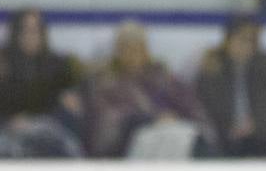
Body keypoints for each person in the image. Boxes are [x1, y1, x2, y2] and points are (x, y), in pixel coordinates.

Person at [84, 20, 212, 159]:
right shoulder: (108, 84)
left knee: (191, 137)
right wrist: (153, 119)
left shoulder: (162, 77)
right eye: (126, 48)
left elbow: (190, 107)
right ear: (118, 51)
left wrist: (174, 119)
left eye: (138, 48)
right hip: (131, 145)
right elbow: (110, 125)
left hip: (174, 135)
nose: (133, 54)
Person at [0, 7, 84, 158]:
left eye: (36, 30)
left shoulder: (58, 64)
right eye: (25, 30)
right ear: (15, 33)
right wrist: (8, 120)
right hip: (7, 128)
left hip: (48, 127)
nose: (31, 36)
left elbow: (67, 102)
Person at [194, 15, 266, 158]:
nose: (245, 45)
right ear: (228, 41)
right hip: (226, 141)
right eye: (241, 39)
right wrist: (230, 128)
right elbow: (204, 112)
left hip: (264, 140)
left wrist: (256, 126)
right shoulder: (212, 71)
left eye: (251, 40)